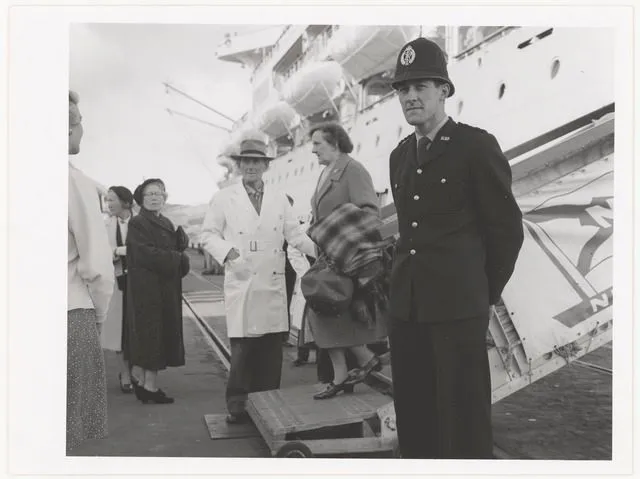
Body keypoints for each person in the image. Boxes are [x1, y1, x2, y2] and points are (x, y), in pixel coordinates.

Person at [387, 37, 524, 458]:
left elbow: (506, 230)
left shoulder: (475, 146)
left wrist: (480, 293)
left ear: (444, 90)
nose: (411, 96)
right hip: (407, 310)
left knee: (463, 422)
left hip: (457, 309)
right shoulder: (399, 156)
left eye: (421, 87)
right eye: (404, 90)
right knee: (415, 419)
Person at [201, 137, 316, 424]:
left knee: (270, 351)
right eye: (246, 162)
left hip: (273, 282)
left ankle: (268, 405)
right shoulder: (224, 198)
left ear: (265, 166)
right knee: (243, 350)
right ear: (239, 166)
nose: (251, 167)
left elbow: (295, 235)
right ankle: (238, 406)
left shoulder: (278, 198)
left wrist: (323, 251)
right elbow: (208, 235)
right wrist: (230, 254)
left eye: (257, 162)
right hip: (243, 279)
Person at [304, 122, 387, 400]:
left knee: (325, 310)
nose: (312, 150)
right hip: (328, 257)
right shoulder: (326, 172)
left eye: (318, 143)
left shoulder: (353, 170)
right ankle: (360, 362)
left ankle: (349, 369)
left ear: (335, 143)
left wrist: (339, 233)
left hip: (346, 257)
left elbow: (370, 212)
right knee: (326, 311)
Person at [67, 90, 114, 452]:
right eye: (80, 122)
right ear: (69, 129)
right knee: (66, 426)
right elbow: (97, 265)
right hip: (70, 312)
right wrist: (99, 317)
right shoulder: (75, 181)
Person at [126, 178, 190, 404]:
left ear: (165, 197)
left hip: (163, 288)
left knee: (155, 334)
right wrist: (177, 257)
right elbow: (145, 254)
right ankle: (150, 388)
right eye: (149, 194)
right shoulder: (138, 223)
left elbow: (170, 249)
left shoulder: (165, 221)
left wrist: (180, 249)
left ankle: (145, 384)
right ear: (141, 200)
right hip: (148, 289)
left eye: (158, 194)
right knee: (152, 335)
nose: (154, 198)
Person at [101, 186, 142, 393]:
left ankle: (136, 370)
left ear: (126, 202)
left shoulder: (140, 223)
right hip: (117, 282)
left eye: (112, 200)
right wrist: (117, 251)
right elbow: (100, 252)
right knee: (119, 330)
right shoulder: (104, 225)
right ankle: (124, 373)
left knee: (138, 328)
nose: (108, 204)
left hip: (140, 283)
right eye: (107, 200)